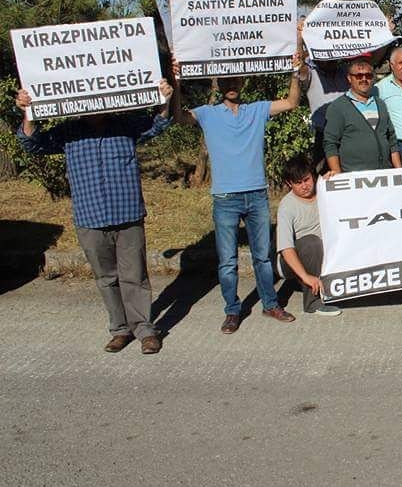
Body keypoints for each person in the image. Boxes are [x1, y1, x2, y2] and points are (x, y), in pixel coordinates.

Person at [15, 81, 174, 354]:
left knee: (134, 275)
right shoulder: (68, 131)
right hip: (90, 217)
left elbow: (158, 123)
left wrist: (165, 98)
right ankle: (120, 330)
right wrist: (27, 111)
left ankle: (144, 330)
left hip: (128, 212)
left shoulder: (125, 125)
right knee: (106, 278)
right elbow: (31, 143)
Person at [172, 58, 304, 334]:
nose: (232, 85)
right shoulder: (208, 113)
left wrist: (294, 71)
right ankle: (232, 310)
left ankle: (270, 304)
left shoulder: (256, 110)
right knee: (228, 261)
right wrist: (177, 81)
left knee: (262, 257)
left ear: (243, 82)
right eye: (227, 81)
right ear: (220, 84)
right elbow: (180, 118)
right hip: (225, 198)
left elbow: (291, 102)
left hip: (256, 194)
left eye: (236, 80)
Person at [275, 155, 341, 317]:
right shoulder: (286, 206)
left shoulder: (324, 189)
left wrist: (335, 179)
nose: (304, 186)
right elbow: (285, 248)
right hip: (292, 261)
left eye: (307, 180)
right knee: (312, 242)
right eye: (298, 183)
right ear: (289, 184)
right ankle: (313, 302)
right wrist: (305, 277)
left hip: (324, 253)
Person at [323, 60, 402, 175]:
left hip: (385, 174)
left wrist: (400, 171)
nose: (364, 79)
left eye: (368, 75)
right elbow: (330, 144)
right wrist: (338, 175)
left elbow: (392, 141)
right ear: (349, 78)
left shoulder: (380, 104)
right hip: (355, 177)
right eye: (359, 76)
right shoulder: (338, 107)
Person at [296, 17, 350, 170]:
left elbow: (369, 63)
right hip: (324, 136)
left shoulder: (346, 72)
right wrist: (300, 39)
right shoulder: (311, 73)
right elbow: (299, 66)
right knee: (324, 178)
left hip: (349, 134)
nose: (330, 58)